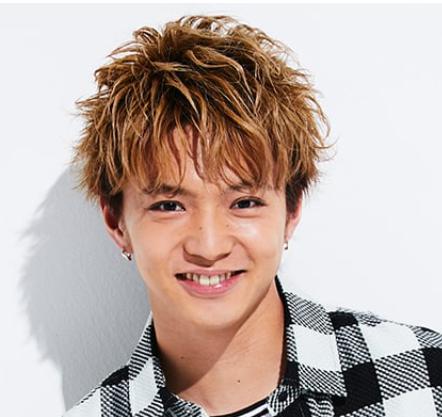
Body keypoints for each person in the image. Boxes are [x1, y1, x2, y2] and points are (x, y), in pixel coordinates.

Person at [64, 14, 442, 417]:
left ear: (291, 210)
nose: (209, 246)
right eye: (169, 206)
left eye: (244, 202)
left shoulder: (425, 380)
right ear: (116, 222)